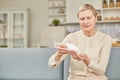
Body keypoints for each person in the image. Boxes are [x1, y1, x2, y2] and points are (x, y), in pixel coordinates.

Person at [48, 4, 112, 80]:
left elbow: (101, 70)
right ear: (79, 20)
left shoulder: (106, 39)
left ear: (95, 18)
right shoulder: (71, 37)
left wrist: (88, 61)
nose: (85, 21)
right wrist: (58, 55)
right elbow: (50, 65)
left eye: (89, 18)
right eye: (82, 19)